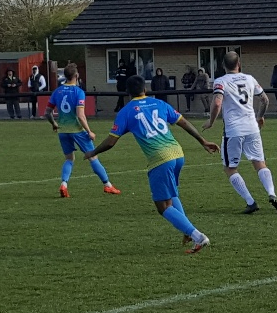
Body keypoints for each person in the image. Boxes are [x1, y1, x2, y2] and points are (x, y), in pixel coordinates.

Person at [91, 76, 221, 253]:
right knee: (171, 194)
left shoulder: (126, 111)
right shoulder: (159, 103)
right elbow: (183, 122)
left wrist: (93, 152)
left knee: (163, 206)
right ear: (145, 89)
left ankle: (198, 237)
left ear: (127, 92)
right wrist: (203, 141)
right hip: (177, 154)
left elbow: (111, 141)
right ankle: (187, 231)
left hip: (161, 159)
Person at [204, 52, 277, 214]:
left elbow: (217, 103)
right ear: (239, 64)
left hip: (233, 130)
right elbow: (265, 100)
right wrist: (260, 116)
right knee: (259, 163)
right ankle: (272, 193)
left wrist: (211, 121)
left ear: (223, 65)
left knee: (230, 168)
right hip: (252, 128)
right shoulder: (250, 78)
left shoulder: (221, 81)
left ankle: (251, 202)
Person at [47, 67, 118, 198]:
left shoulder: (57, 91)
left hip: (63, 131)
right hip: (77, 130)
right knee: (93, 157)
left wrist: (54, 124)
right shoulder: (78, 92)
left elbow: (47, 112)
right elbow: (80, 115)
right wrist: (89, 131)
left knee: (69, 159)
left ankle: (64, 184)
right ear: (76, 75)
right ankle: (108, 185)